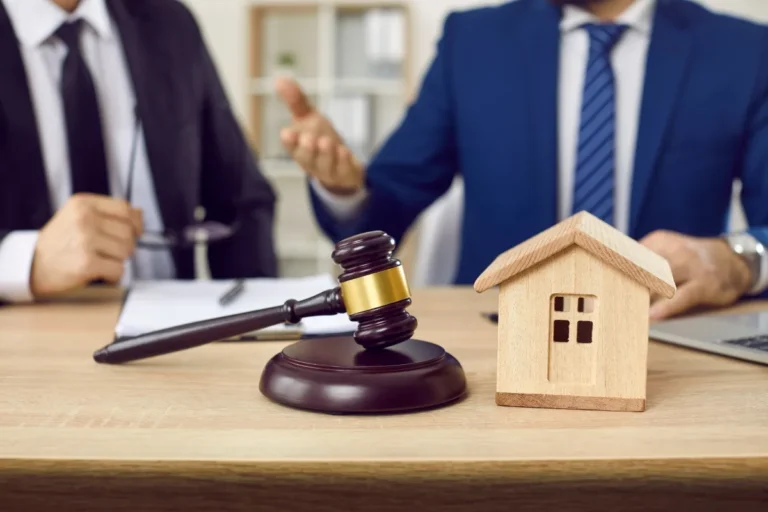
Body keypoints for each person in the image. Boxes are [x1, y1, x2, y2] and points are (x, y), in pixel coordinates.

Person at [276, 0, 768, 320]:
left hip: (666, 333)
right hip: (494, 336)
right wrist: (342, 188)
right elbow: (385, 208)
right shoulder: (471, 42)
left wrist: (742, 262)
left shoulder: (743, 51)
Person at [0, 0, 277, 303]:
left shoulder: (169, 22)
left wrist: (257, 317)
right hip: (22, 336)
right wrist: (21, 262)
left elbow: (240, 197)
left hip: (166, 327)